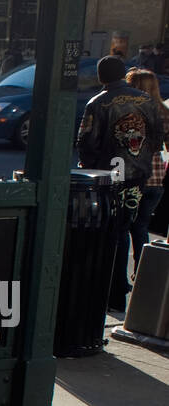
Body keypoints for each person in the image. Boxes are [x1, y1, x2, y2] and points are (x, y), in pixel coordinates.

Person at [77, 56, 165, 312]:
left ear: (101, 77)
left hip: (110, 176)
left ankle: (112, 293)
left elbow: (87, 142)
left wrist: (90, 167)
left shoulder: (99, 102)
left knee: (112, 234)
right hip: (139, 175)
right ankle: (121, 291)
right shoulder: (147, 101)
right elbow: (158, 137)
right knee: (127, 227)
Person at [125, 69, 169, 275]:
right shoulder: (164, 111)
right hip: (157, 177)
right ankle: (142, 273)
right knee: (142, 226)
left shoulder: (130, 110)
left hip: (134, 175)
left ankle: (119, 277)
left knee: (124, 228)